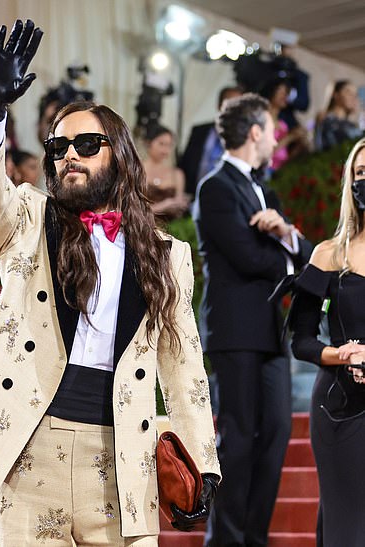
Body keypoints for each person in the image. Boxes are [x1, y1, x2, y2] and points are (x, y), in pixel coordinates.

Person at [0, 19, 220, 546]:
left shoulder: (167, 256)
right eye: (59, 147)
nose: (70, 156)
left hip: (123, 457)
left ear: (122, 156)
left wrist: (202, 461)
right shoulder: (28, 221)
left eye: (87, 143)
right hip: (30, 453)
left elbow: (183, 364)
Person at [192, 93, 312, 547]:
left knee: (278, 431)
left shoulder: (269, 191)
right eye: (272, 128)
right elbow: (244, 256)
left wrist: (283, 233)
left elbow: (304, 255)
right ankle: (224, 540)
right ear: (256, 131)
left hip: (269, 330)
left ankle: (254, 539)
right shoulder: (215, 186)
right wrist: (285, 252)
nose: (277, 137)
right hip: (234, 330)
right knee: (238, 440)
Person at [288, 136, 365, 545]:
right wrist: (344, 354)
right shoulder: (329, 255)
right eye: (361, 174)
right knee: (347, 530)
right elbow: (301, 340)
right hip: (340, 408)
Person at [179, 86, 242, 196]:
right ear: (219, 105)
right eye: (229, 103)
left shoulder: (244, 138)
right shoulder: (199, 131)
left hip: (226, 198)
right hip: (194, 195)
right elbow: (186, 162)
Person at [142, 125, 189, 222]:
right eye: (161, 144)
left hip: (171, 229)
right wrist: (164, 205)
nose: (165, 150)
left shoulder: (177, 174)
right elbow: (132, 209)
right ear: (148, 143)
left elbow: (179, 207)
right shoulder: (137, 170)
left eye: (169, 145)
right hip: (143, 226)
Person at [260, 78, 308, 173]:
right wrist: (289, 137)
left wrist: (299, 145)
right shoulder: (262, 117)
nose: (285, 96)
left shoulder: (283, 125)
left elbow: (283, 155)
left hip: (276, 172)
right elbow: (263, 152)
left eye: (287, 92)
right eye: (281, 91)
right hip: (262, 170)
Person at [315, 80, 362, 151]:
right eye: (348, 92)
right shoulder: (327, 121)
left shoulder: (352, 125)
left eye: (355, 95)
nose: (353, 97)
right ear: (335, 95)